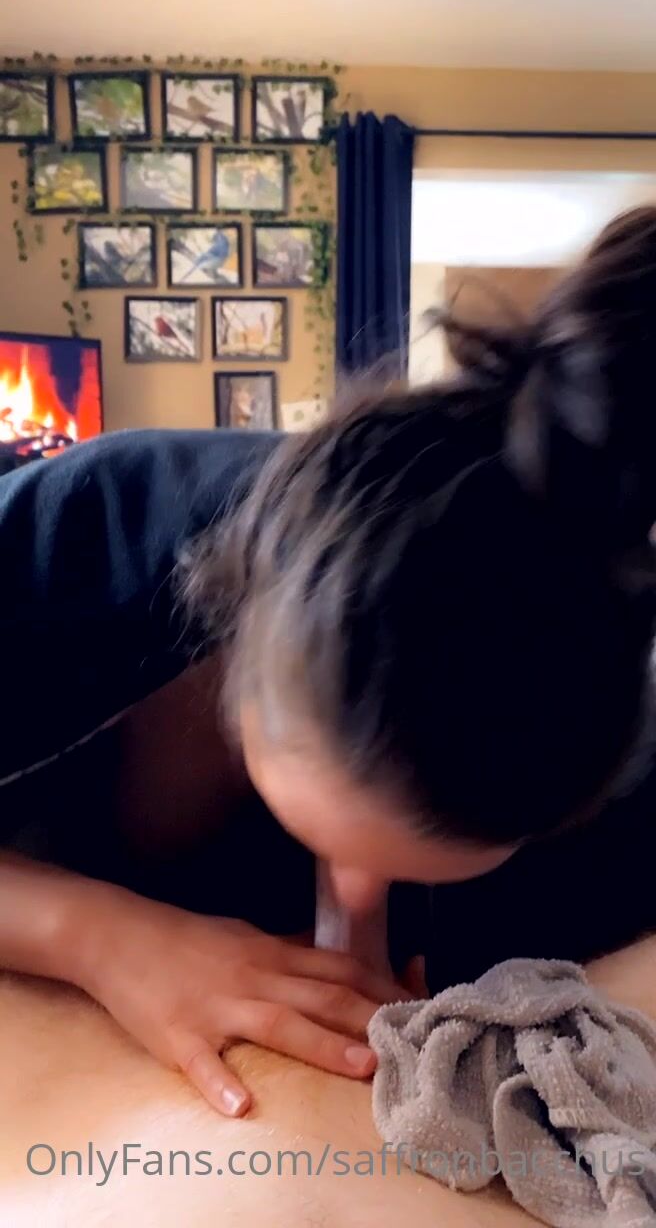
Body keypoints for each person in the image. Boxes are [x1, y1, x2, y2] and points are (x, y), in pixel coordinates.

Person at [2, 206, 656, 1123]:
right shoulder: (76, 534)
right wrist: (98, 937)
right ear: (236, 621)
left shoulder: (594, 747)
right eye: (332, 844)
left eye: (409, 872)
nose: (352, 909)